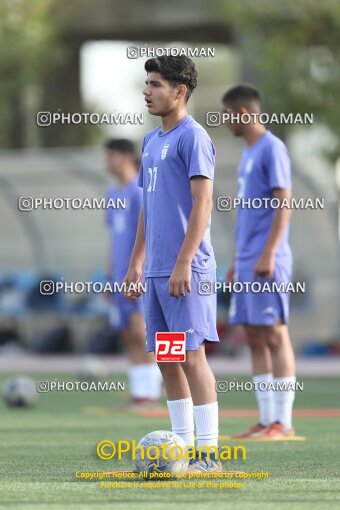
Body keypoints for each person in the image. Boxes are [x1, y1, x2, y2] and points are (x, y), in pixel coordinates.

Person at [123, 56, 221, 472]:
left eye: (156, 84)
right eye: (147, 83)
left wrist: (184, 261)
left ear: (180, 91)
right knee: (166, 358)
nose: (147, 91)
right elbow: (149, 205)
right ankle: (180, 450)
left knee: (191, 357)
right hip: (157, 270)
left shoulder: (193, 138)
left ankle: (208, 455)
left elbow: (204, 203)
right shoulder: (148, 142)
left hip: (188, 270)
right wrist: (136, 262)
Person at [222, 84, 296, 439]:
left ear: (245, 113)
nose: (225, 121)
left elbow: (284, 203)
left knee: (275, 334)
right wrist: (238, 260)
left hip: (269, 259)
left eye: (228, 114)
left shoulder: (272, 148)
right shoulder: (248, 154)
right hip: (247, 260)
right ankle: (266, 419)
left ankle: (283, 421)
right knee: (252, 335)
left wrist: (268, 253)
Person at [105, 138, 162, 405]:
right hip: (118, 276)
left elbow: (149, 235)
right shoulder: (112, 194)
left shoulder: (138, 192)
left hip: (138, 274)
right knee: (127, 333)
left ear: (127, 157)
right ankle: (140, 391)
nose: (107, 161)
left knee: (143, 332)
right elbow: (113, 239)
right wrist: (109, 276)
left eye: (112, 155)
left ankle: (153, 388)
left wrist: (139, 269)